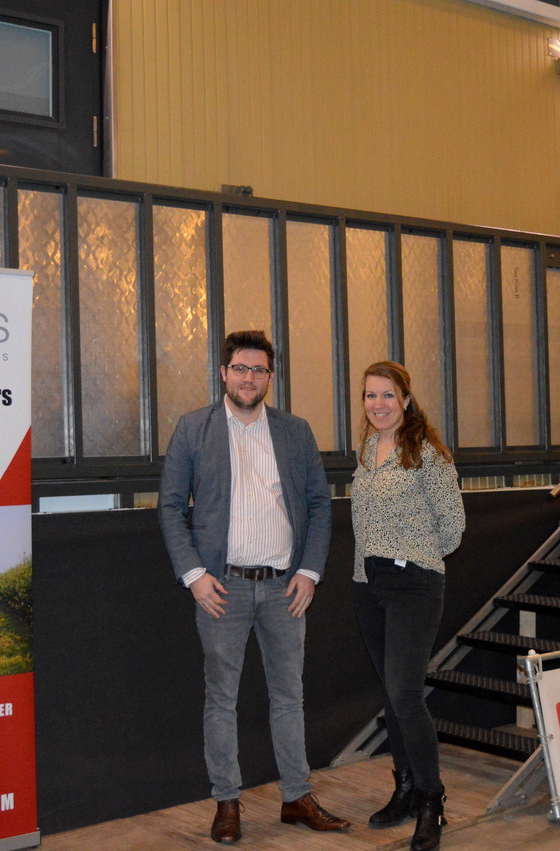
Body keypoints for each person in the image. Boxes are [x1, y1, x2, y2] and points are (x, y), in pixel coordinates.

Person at [158, 330, 350, 844]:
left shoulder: (295, 431)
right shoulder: (193, 428)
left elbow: (319, 505)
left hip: (286, 588)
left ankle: (296, 797)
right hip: (222, 589)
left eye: (258, 370)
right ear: (224, 373)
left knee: (290, 697)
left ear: (270, 376)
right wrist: (194, 575)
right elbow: (171, 507)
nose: (249, 378)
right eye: (240, 368)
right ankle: (227, 802)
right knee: (221, 699)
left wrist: (309, 572)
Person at [351, 361, 465, 851]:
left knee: (405, 693)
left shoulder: (428, 454)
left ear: (405, 400)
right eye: (370, 395)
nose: (378, 404)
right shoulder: (365, 453)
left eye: (387, 395)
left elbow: (453, 527)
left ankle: (432, 801)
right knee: (391, 695)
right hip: (368, 584)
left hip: (414, 583)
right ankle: (406, 788)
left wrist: (412, 554)